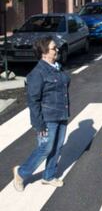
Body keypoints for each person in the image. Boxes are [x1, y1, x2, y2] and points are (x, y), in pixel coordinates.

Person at [13, 37, 70, 191]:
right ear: (44, 53)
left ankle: (49, 176)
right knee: (45, 148)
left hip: (61, 114)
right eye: (53, 48)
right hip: (47, 118)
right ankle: (21, 173)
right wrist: (39, 124)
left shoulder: (57, 67)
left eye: (56, 47)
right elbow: (33, 101)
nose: (57, 50)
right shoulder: (37, 73)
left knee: (57, 147)